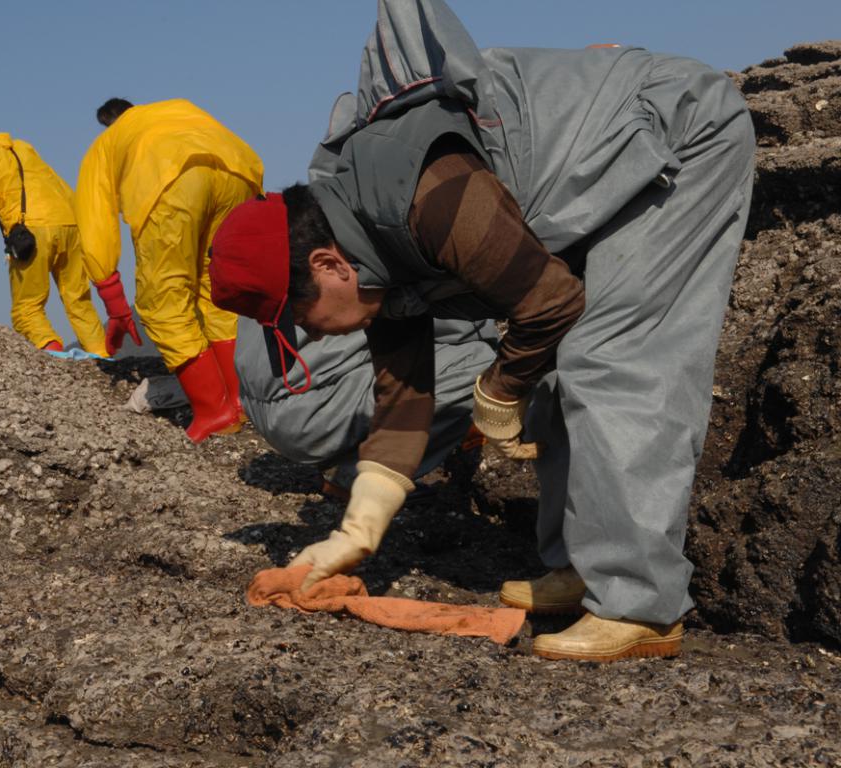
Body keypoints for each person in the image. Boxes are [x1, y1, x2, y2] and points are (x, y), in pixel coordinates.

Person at [209, 0, 755, 661]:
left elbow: (550, 302)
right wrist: (353, 533)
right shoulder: (371, 250)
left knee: (612, 360)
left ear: (328, 266)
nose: (311, 334)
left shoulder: (422, 197)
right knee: (557, 369)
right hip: (596, 183)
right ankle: (585, 568)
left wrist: (498, 390)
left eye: (299, 315)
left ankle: (640, 607)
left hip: (674, 134)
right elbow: (404, 397)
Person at [74, 98, 263, 442]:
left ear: (110, 124)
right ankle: (242, 399)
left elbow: (94, 221)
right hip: (239, 171)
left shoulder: (108, 144)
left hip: (170, 177)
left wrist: (115, 304)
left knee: (162, 302)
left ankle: (214, 411)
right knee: (219, 289)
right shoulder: (179, 109)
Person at [235, 315, 498, 495]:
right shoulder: (419, 239)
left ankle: (347, 462)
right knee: (488, 365)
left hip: (254, 396)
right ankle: (357, 479)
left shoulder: (288, 233)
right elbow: (458, 323)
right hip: (312, 412)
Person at [0, 125, 108, 357]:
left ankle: (56, 362)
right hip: (69, 224)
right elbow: (57, 183)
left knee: (27, 310)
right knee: (79, 300)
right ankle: (102, 356)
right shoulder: (21, 147)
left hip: (31, 233)